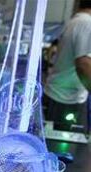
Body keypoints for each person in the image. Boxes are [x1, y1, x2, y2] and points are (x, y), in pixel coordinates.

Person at [44, 0, 91, 131]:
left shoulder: (75, 21)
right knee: (64, 147)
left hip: (59, 97)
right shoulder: (86, 23)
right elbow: (83, 64)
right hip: (65, 100)